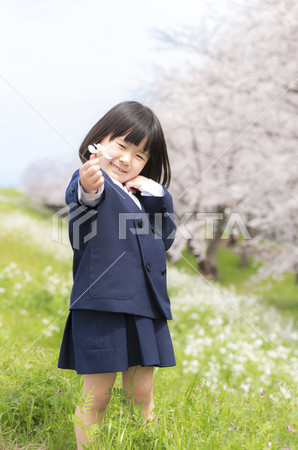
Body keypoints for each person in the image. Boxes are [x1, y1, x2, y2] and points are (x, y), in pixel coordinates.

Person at [57, 101, 177, 449]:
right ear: (98, 141)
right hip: (103, 307)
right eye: (121, 145)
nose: (127, 159)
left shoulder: (142, 196)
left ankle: (149, 444)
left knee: (142, 394)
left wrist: (157, 194)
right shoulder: (93, 184)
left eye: (139, 155)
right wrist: (88, 184)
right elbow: (85, 201)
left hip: (145, 306)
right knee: (97, 396)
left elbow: (164, 238)